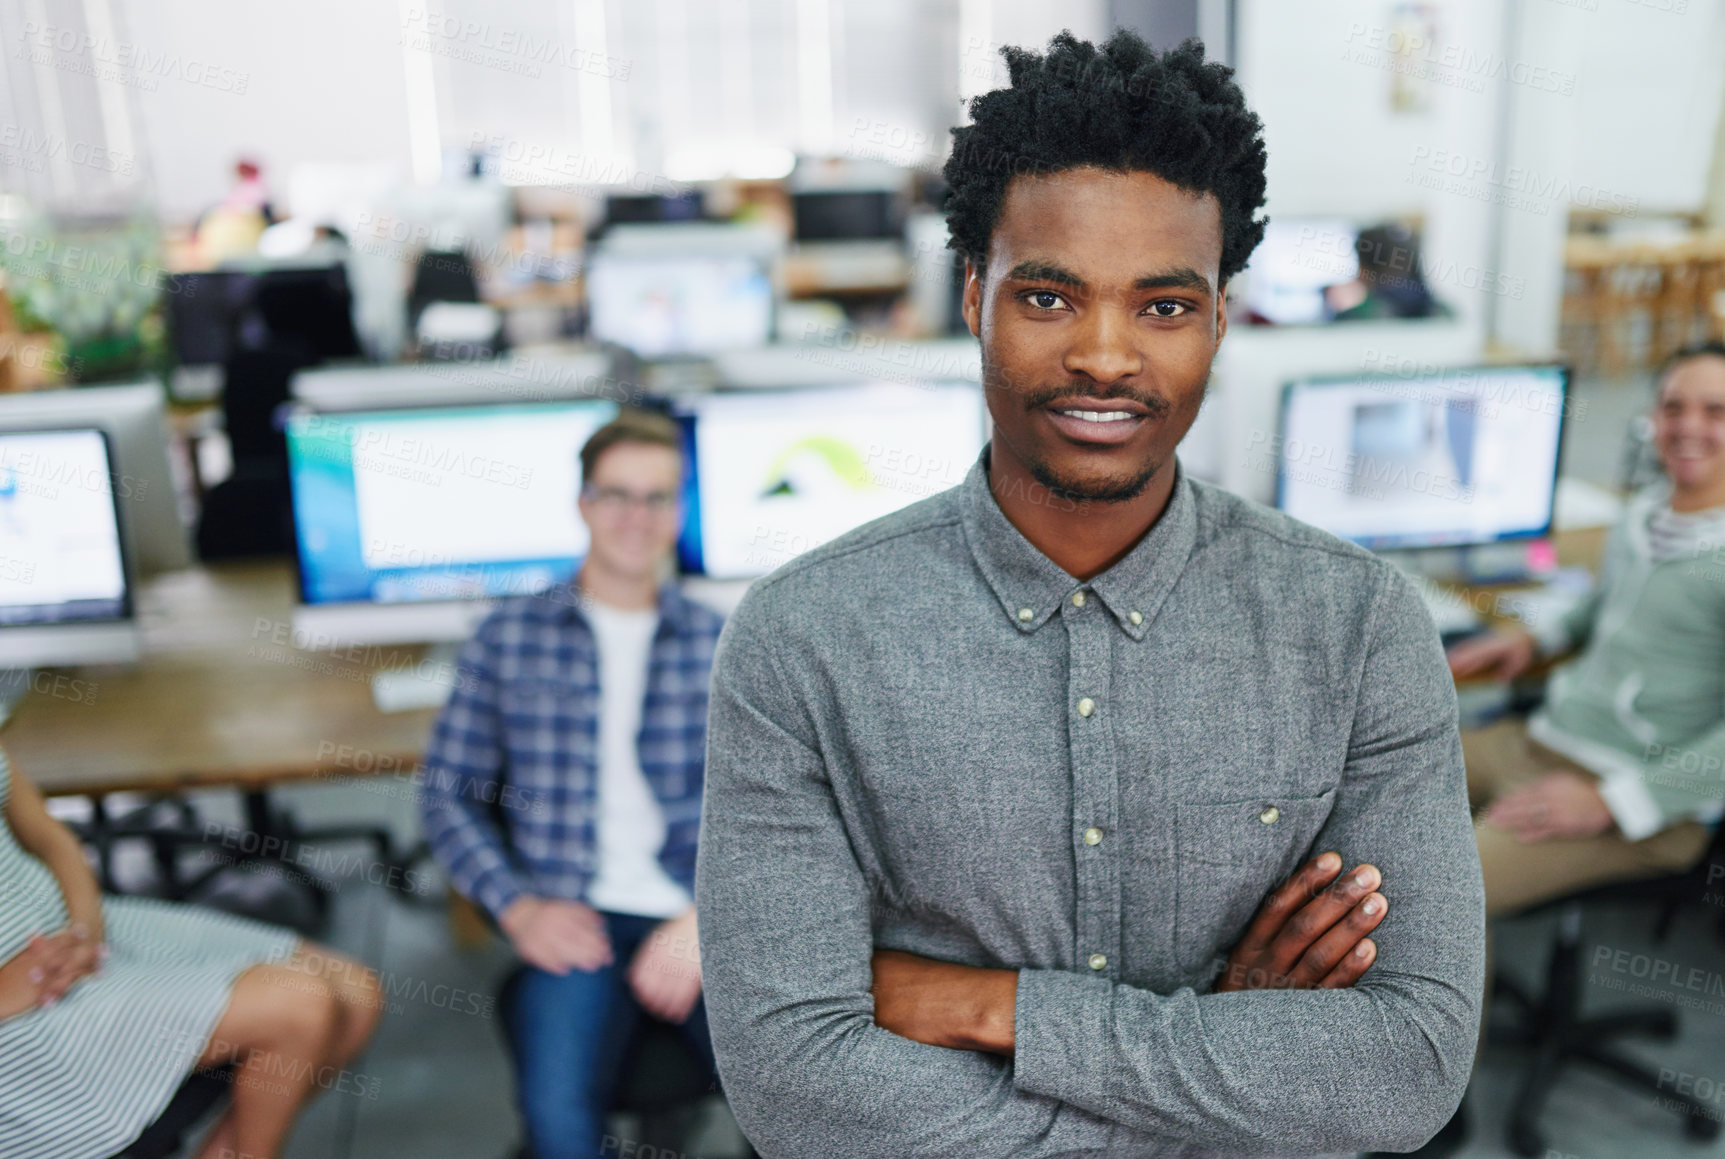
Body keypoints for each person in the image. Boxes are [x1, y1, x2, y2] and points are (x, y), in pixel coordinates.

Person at [695, 30, 1484, 1159]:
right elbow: (798, 1092)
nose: (1107, 356)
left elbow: (1405, 1068)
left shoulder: (1358, 628)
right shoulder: (802, 643)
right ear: (974, 298)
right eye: (1051, 297)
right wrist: (1226, 1049)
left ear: (1220, 318)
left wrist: (989, 1007)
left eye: (1163, 306)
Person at [1416, 341, 1725, 1157]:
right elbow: (1603, 608)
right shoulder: (1649, 511)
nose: (1687, 426)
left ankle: (1434, 1116)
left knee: (1447, 891)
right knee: (1386, 771)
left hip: (1641, 799)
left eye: (1714, 411)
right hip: (1547, 738)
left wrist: (1607, 801)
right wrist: (1530, 635)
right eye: (1673, 406)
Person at [420, 410, 727, 1159]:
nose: (635, 517)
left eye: (656, 497)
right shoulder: (509, 636)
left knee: (812, 1103)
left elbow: (779, 816)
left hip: (696, 914)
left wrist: (705, 918)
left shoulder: (724, 641)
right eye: (616, 494)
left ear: (678, 509)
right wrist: (516, 907)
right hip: (572, 912)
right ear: (583, 503)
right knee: (558, 1125)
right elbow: (447, 793)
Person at [0, 747, 382, 1159]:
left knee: (357, 993)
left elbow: (47, 834)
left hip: (79, 927)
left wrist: (86, 930)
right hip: (29, 1011)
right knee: (303, 1008)